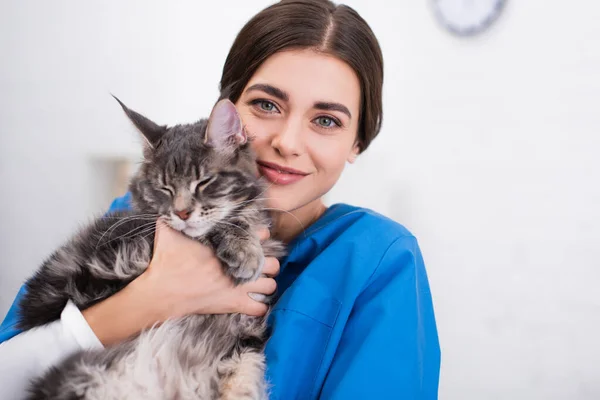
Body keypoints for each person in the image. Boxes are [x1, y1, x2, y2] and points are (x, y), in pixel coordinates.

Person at [0, 0, 441, 398]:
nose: (287, 142)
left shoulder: (378, 259)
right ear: (227, 110)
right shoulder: (137, 218)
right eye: (267, 105)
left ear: (357, 142)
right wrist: (141, 303)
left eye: (325, 120)